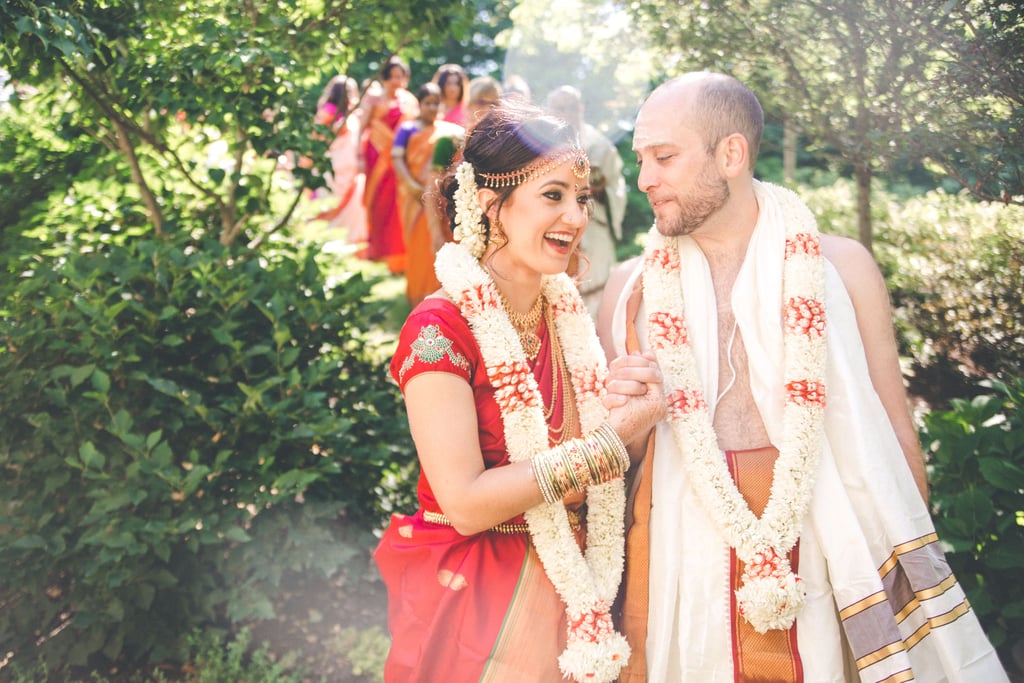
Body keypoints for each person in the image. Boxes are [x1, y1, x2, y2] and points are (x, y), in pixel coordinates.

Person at [597, 71, 1009, 682]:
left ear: (731, 154)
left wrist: (904, 577)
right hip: (684, 559)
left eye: (663, 157)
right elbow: (623, 466)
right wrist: (621, 420)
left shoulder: (839, 269)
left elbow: (895, 430)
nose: (643, 180)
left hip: (827, 547)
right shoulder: (628, 291)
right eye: (640, 160)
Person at [375, 101, 666, 682]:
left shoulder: (564, 316)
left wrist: (627, 415)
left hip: (582, 584)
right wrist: (610, 442)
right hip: (484, 605)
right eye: (553, 195)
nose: (576, 216)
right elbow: (464, 503)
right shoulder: (441, 330)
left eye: (581, 198)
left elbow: (593, 467)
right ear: (491, 204)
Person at [546, 85, 627, 318]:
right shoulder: (538, 146)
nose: (566, 113)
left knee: (594, 294)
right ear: (550, 110)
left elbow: (617, 189)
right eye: (560, 108)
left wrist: (601, 192)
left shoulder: (600, 146)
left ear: (581, 109)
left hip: (593, 229)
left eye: (572, 108)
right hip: (552, 228)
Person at [392, 82, 464, 307]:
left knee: (439, 242)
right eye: (428, 103)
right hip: (412, 196)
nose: (432, 108)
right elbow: (397, 160)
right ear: (420, 105)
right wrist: (412, 185)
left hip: (437, 197)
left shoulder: (448, 131)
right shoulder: (407, 129)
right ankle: (417, 294)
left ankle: (439, 295)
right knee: (418, 245)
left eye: (436, 103)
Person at [360, 56, 418, 273]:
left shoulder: (410, 101)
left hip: (400, 159)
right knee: (376, 203)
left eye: (400, 77)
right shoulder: (374, 99)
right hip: (375, 159)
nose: (396, 81)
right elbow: (363, 126)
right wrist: (358, 155)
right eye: (392, 76)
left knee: (397, 204)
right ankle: (377, 253)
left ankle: (399, 257)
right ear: (384, 78)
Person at [312, 74, 368, 245]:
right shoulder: (328, 110)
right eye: (348, 91)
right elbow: (316, 135)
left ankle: (348, 242)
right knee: (326, 199)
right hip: (331, 164)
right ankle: (323, 239)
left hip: (350, 166)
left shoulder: (355, 113)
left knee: (352, 204)